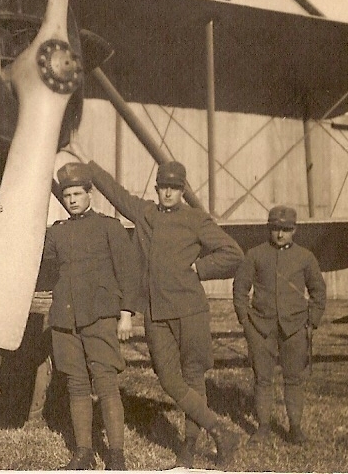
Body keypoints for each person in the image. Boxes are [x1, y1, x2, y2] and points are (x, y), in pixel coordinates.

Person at [86, 158, 244, 468]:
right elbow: (115, 193)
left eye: (174, 188)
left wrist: (200, 268)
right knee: (168, 378)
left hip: (190, 311)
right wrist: (90, 168)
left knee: (193, 376)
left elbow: (233, 254)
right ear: (157, 189)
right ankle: (220, 429)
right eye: (163, 188)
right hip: (156, 314)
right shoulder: (145, 213)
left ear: (182, 191)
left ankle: (189, 444)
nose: (168, 193)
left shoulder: (197, 219)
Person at [40, 163, 141, 471]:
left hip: (99, 317)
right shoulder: (56, 232)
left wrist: (126, 315)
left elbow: (128, 272)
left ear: (89, 194)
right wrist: (4, 217)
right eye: (67, 195)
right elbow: (42, 268)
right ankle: (83, 451)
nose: (71, 200)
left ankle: (116, 455)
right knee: (77, 385)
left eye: (77, 194)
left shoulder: (110, 227)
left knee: (106, 385)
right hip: (66, 321)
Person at [233, 205, 326, 446]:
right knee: (262, 379)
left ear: (294, 230)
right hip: (261, 328)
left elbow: (318, 291)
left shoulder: (305, 257)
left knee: (293, 380)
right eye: (275, 229)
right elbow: (240, 289)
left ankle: (295, 429)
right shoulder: (254, 255)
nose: (280, 234)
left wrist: (311, 322)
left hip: (295, 328)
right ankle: (263, 428)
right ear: (269, 229)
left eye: (286, 229)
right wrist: (245, 320)